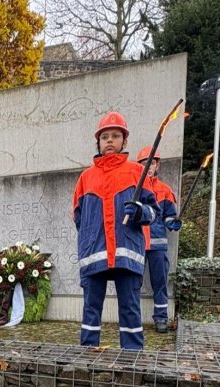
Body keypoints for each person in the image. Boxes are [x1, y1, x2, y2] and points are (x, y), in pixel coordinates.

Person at [73, 111, 159, 350]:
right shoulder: (85, 178)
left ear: (124, 141)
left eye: (115, 136)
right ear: (98, 143)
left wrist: (140, 212)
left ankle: (132, 359)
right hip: (95, 254)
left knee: (130, 308)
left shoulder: (136, 173)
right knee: (91, 310)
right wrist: (91, 237)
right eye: (105, 137)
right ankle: (87, 358)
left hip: (126, 253)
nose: (109, 140)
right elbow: (78, 217)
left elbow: (154, 213)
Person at [136, 147, 183, 334]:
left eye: (151, 162)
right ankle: (133, 319)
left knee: (160, 282)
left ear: (157, 165)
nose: (148, 167)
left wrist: (174, 223)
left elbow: (169, 217)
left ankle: (161, 318)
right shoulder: (134, 190)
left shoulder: (165, 190)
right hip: (137, 243)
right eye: (144, 163)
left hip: (157, 245)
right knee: (133, 283)